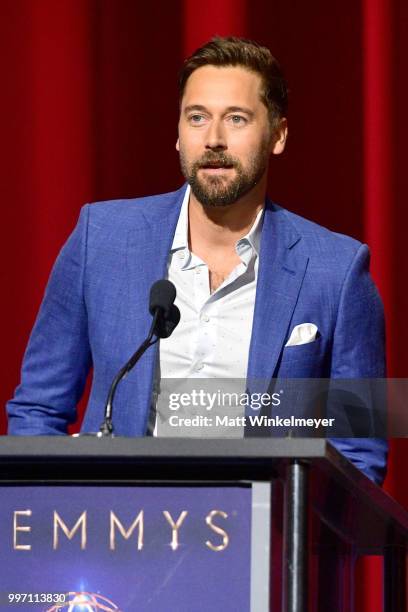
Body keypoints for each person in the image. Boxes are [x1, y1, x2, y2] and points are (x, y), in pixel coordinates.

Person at [6, 37, 387, 484]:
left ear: (278, 135)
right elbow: (38, 408)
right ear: (178, 132)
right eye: (197, 117)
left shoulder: (338, 271)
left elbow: (358, 458)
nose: (213, 140)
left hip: (257, 538)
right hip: (115, 533)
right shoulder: (101, 239)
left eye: (237, 119)